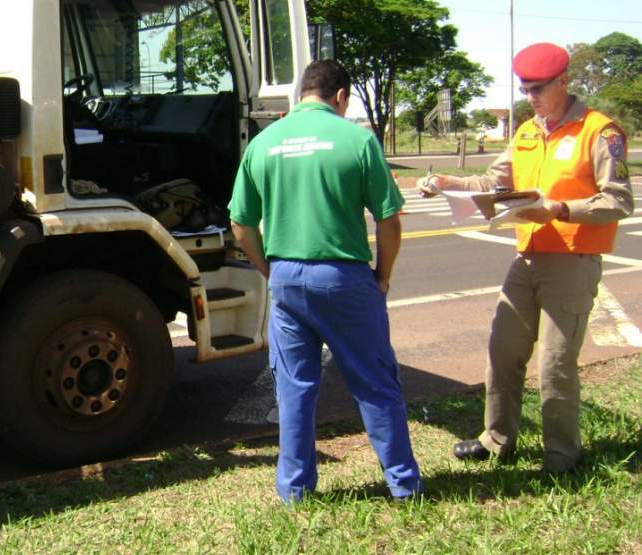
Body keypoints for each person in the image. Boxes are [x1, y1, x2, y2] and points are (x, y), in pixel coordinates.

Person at [417, 42, 634, 473]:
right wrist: (446, 181)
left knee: (554, 363)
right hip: (528, 256)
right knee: (502, 350)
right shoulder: (528, 132)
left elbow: (619, 200)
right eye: (525, 88)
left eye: (538, 88)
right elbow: (493, 180)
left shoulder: (599, 131)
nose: (530, 96)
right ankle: (497, 439)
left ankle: (561, 456)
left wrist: (560, 209)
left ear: (563, 82)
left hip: (572, 258)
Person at [228, 59, 422, 503]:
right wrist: (383, 276)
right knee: (375, 384)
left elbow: (241, 225)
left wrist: (269, 271)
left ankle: (295, 491)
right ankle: (404, 485)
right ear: (340, 97)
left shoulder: (263, 143)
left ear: (302, 93)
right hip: (345, 278)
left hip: (286, 280)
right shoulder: (356, 139)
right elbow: (389, 219)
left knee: (293, 389)